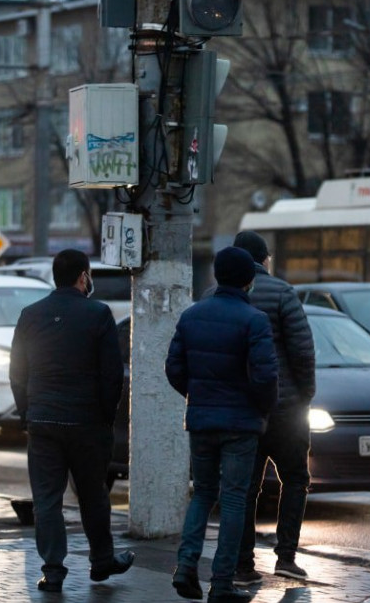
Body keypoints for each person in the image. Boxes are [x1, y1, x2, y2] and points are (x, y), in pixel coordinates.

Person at [10, 249, 134, 594]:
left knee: (47, 499)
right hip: (87, 423)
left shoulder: (30, 315)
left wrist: (26, 411)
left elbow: (17, 371)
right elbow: (112, 376)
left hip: (43, 421)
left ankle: (52, 571)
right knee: (93, 495)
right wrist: (105, 419)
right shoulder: (98, 314)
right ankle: (101, 561)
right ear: (84, 276)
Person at [168, 247, 278, 603]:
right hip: (241, 424)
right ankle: (222, 583)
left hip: (201, 419)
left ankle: (185, 566)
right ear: (249, 280)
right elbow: (266, 378)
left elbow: (174, 369)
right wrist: (261, 410)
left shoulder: (191, 316)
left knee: (202, 492)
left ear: (216, 276)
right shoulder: (255, 320)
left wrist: (197, 395)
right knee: (233, 499)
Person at [230, 231, 316, 586]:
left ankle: (243, 565)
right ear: (264, 260)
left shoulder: (212, 297)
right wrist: (304, 396)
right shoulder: (283, 293)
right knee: (295, 479)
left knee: (245, 488)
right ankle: (286, 557)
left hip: (241, 412)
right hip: (285, 410)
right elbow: (302, 352)